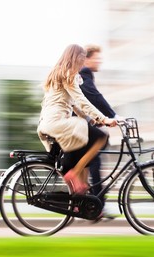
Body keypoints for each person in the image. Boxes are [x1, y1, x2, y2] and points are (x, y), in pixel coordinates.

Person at [37, 44, 117, 195]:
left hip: (49, 123)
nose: (83, 63)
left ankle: (78, 200)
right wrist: (104, 119)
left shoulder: (58, 74)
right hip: (58, 122)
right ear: (76, 58)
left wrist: (92, 120)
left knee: (84, 144)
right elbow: (81, 100)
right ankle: (73, 175)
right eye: (82, 58)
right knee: (101, 136)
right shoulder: (69, 75)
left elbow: (74, 105)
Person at [79, 45, 119, 201]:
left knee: (91, 158)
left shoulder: (83, 74)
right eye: (97, 58)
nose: (100, 61)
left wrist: (100, 119)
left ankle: (88, 201)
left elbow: (88, 102)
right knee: (97, 152)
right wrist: (112, 115)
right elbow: (95, 97)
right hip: (74, 125)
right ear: (86, 59)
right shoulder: (83, 73)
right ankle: (98, 201)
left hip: (83, 123)